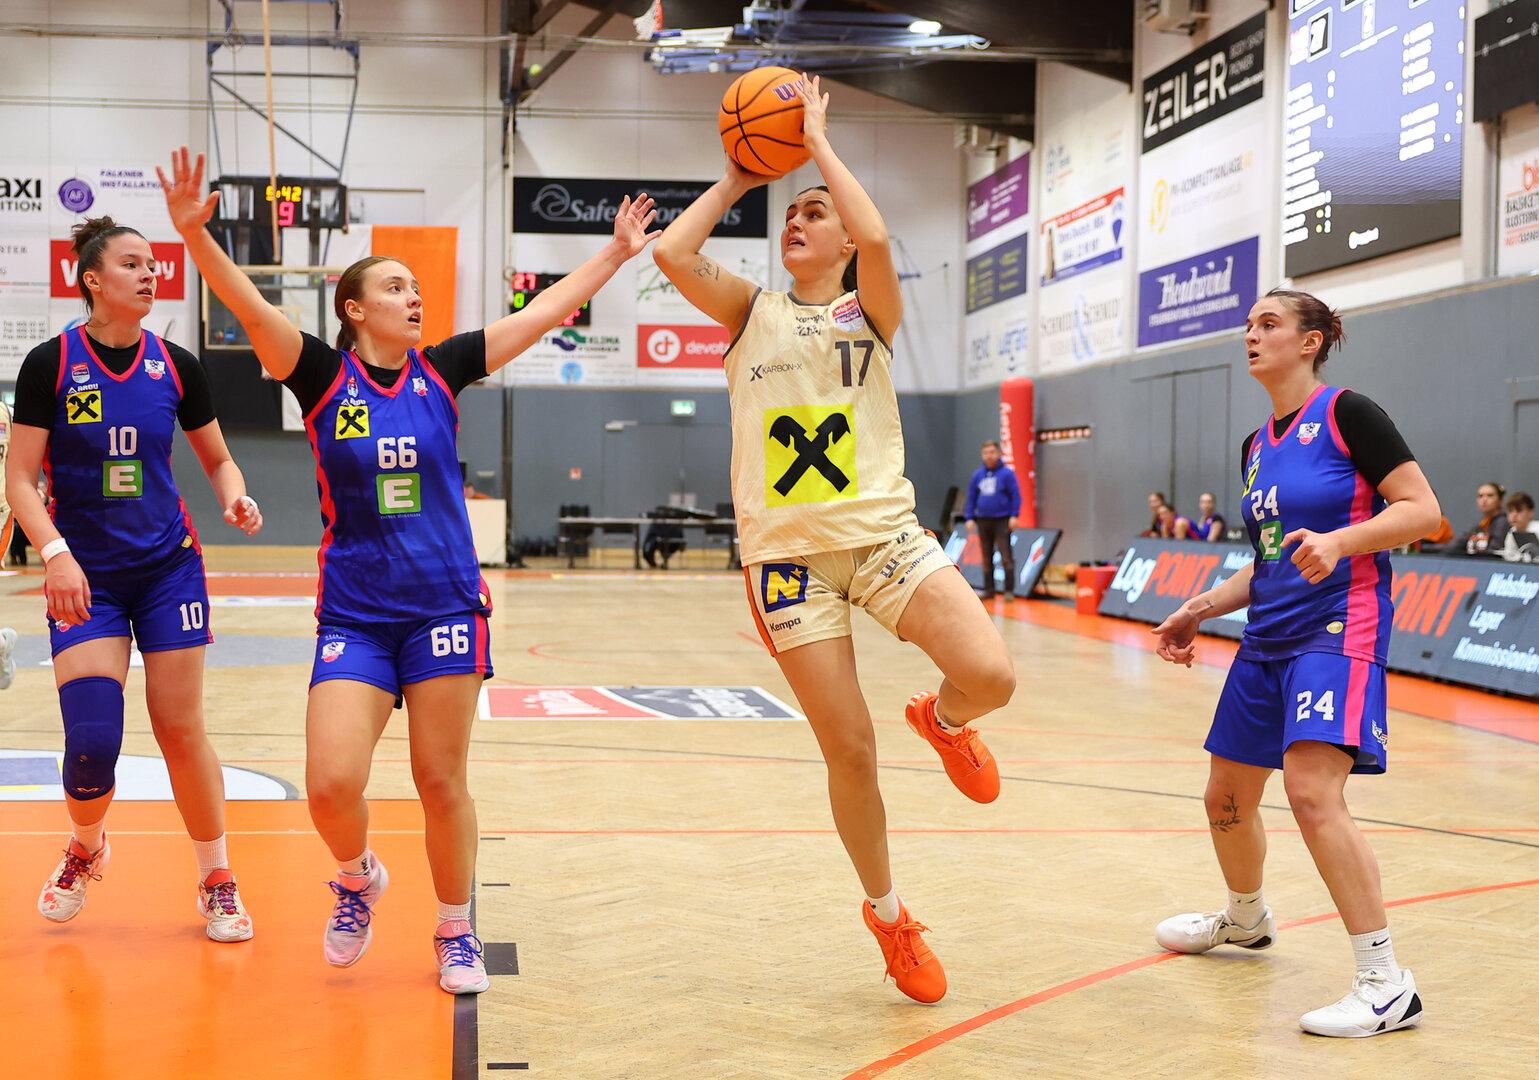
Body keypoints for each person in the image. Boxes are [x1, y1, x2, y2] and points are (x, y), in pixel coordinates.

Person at [161, 146, 659, 994]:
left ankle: (454, 931)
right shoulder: (320, 375)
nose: (413, 297)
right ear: (353, 308)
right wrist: (195, 240)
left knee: (439, 780)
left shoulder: (443, 369)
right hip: (355, 611)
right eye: (394, 288)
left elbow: (542, 317)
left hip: (443, 608)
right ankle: (357, 876)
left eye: (415, 289)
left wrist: (612, 253)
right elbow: (247, 309)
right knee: (329, 785)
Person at [653, 76, 1015, 1004]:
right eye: (792, 214)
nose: (799, 219)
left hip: (885, 536)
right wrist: (740, 177)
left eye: (816, 212)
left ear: (844, 241)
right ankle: (890, 918)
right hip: (786, 562)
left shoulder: (871, 311)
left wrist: (816, 144)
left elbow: (882, 239)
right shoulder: (751, 312)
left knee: (992, 676)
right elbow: (672, 251)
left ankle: (941, 720)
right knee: (848, 751)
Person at [1149, 287, 1440, 1038]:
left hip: (1337, 629)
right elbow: (1267, 559)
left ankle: (1385, 983)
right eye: (1247, 325)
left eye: (1268, 324)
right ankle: (1245, 921)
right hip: (1266, 636)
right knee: (1224, 797)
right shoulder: (1255, 447)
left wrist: (1341, 542)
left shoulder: (1349, 414)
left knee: (1312, 794)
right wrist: (1198, 608)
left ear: (1309, 341)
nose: (1250, 335)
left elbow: (1420, 510)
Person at [4, 215, 264, 941]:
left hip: (166, 569)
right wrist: (55, 553)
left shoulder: (176, 364)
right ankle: (86, 846)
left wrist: (234, 493)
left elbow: (215, 458)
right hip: (84, 574)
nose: (150, 274)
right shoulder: (50, 365)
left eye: (154, 265)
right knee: (90, 743)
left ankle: (217, 877)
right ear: (93, 279)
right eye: (132, 264)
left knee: (181, 731)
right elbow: (19, 479)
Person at [964, 440, 1021, 599]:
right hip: (983, 520)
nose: (989, 456)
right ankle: (989, 590)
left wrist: (1014, 515)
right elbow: (971, 498)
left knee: (1005, 556)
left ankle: (1009, 590)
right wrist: (969, 517)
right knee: (986, 557)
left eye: (992, 452)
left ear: (998, 453)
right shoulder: (977, 475)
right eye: (986, 453)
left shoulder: (1007, 474)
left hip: (1002, 520)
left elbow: (1015, 495)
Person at [1450, 482, 1509, 557]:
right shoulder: (1481, 523)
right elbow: (1456, 545)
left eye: (1490, 496)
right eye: (1480, 496)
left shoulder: (1502, 523)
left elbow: (1492, 552)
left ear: (1500, 500)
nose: (1484, 500)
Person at [1501, 492, 1537, 562]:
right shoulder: (1512, 531)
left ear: (1530, 512)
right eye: (1510, 511)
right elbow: (1509, 558)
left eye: (1519, 510)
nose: (1514, 515)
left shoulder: (1537, 529)